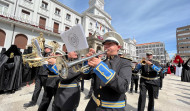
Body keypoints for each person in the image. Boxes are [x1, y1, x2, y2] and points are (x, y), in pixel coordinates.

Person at [84, 31, 132, 111]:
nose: (106, 46)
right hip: (93, 105)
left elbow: (123, 87)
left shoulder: (125, 62)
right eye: (105, 44)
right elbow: (85, 77)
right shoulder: (101, 61)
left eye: (110, 44)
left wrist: (100, 67)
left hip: (112, 108)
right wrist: (88, 62)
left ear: (118, 47)